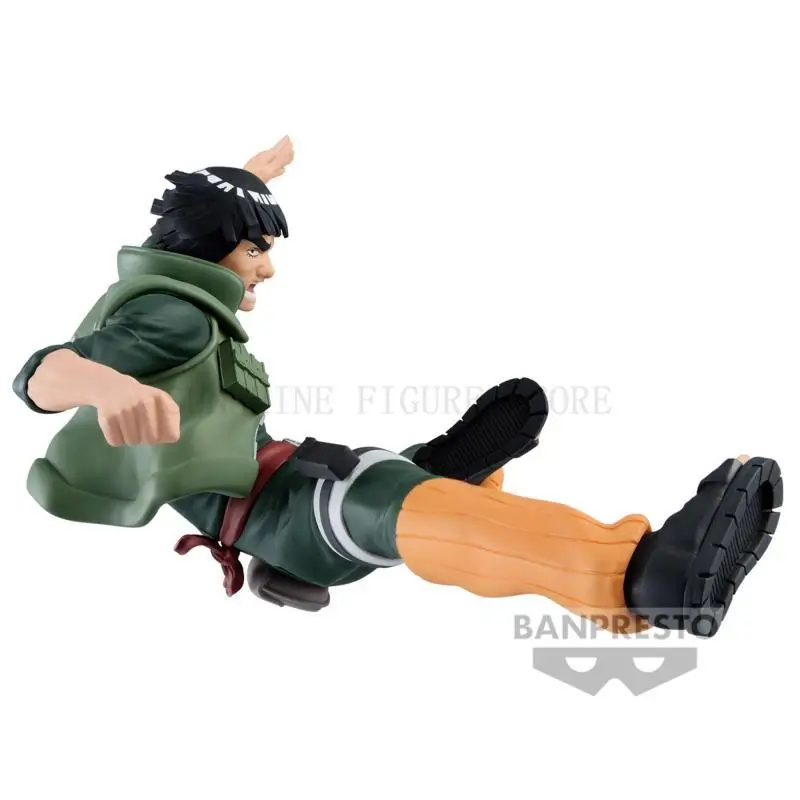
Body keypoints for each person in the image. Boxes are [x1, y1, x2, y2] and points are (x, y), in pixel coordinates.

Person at [13, 136, 783, 637]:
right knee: (386, 500)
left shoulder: (173, 298)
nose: (267, 268)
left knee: (387, 483)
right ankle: (640, 575)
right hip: (276, 512)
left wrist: (248, 180)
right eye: (255, 249)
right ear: (213, 248)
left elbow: (192, 235)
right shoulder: (173, 317)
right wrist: (104, 387)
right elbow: (41, 373)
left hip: (280, 486)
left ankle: (438, 475)